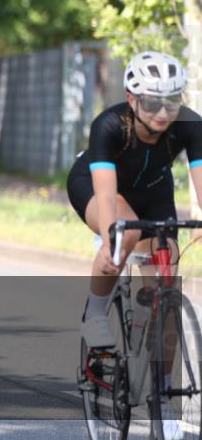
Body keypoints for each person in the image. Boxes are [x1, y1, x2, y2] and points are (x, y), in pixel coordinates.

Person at [71, 52, 202, 348]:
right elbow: (105, 193)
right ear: (132, 100)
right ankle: (95, 316)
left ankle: (164, 390)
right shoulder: (109, 124)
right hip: (97, 185)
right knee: (124, 234)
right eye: (152, 102)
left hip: (153, 190)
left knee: (167, 272)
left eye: (172, 101)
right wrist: (109, 240)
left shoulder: (191, 124)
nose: (163, 112)